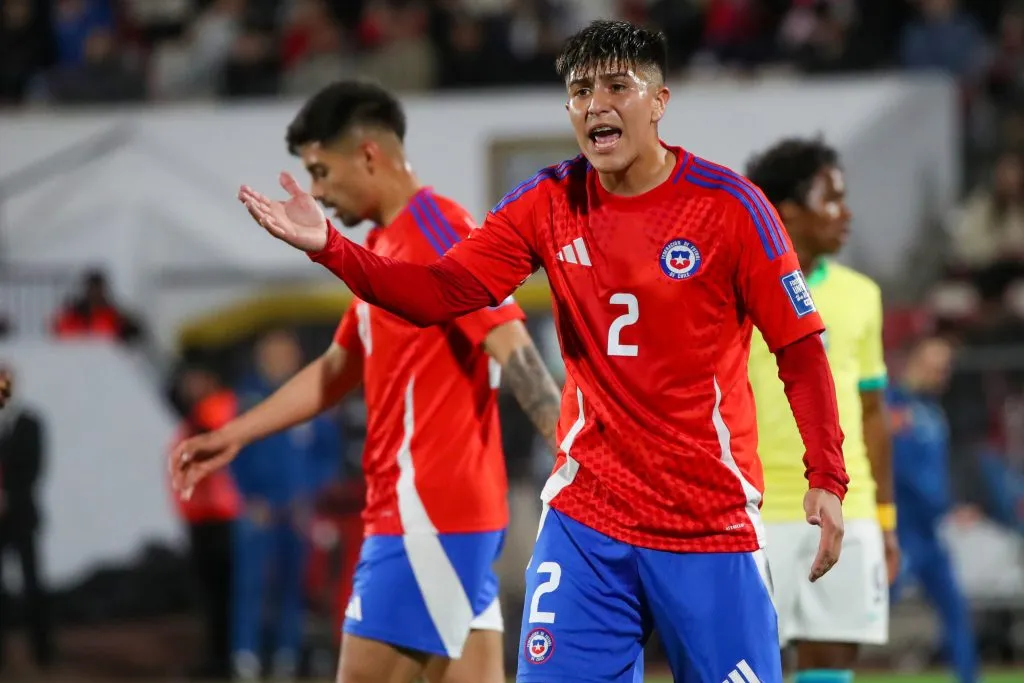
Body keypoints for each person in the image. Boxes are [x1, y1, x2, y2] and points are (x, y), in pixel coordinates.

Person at [225, 20, 850, 683]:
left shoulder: (732, 207)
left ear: (659, 102)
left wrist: (826, 476)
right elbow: (441, 292)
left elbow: (800, 349)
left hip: (707, 520)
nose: (596, 104)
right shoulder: (548, 200)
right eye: (580, 90)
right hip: (589, 515)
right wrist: (332, 247)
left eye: (617, 86)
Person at [172, 80, 562, 683]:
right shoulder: (384, 247)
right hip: (444, 518)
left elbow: (512, 344)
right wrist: (237, 433)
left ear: (369, 156)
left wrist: (576, 460)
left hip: (424, 518)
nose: (318, 192)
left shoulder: (436, 228)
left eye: (321, 171)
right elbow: (337, 368)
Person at [745, 138, 897, 683]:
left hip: (845, 509)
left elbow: (873, 413)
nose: (846, 212)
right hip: (751, 511)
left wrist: (884, 519)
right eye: (831, 199)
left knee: (830, 670)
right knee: (739, 668)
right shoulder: (737, 289)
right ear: (787, 210)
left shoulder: (862, 296)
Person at [229, 328, 341, 681]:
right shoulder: (247, 399)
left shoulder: (310, 398)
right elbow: (233, 452)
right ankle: (245, 655)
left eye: (284, 353)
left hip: (296, 512)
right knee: (250, 584)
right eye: (271, 353)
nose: (277, 360)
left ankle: (286, 656)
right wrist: (249, 497)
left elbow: (328, 455)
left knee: (293, 585)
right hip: (258, 511)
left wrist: (307, 493)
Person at [888, 335, 979, 683]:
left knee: (955, 611)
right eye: (937, 365)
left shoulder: (932, 409)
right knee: (876, 608)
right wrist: (943, 504)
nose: (944, 373)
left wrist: (951, 504)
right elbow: (902, 469)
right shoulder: (894, 405)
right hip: (904, 530)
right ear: (916, 361)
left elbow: (935, 470)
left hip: (929, 532)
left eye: (947, 367)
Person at [168, 361, 241, 681]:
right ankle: (219, 655)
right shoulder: (198, 412)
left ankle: (227, 657)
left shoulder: (219, 410)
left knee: (226, 591)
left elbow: (217, 449)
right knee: (213, 592)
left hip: (222, 515)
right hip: (202, 515)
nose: (189, 386)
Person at [0, 366, 53, 674]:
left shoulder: (30, 422)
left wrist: (8, 497)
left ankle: (43, 650)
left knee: (33, 582)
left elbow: (34, 469)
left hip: (20, 515)